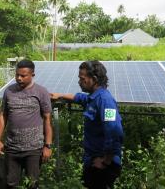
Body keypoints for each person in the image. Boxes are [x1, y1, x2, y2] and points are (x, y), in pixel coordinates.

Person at [50, 60, 123, 189]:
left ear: (94, 79)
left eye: (82, 78)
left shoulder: (105, 101)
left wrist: (106, 162)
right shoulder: (92, 98)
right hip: (93, 161)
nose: (79, 81)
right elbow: (79, 98)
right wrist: (60, 95)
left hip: (102, 165)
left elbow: (114, 132)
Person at [0, 59, 53, 189]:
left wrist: (47, 146)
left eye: (23, 75)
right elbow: (3, 115)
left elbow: (47, 119)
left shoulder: (41, 92)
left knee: (32, 184)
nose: (19, 78)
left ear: (32, 75)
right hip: (11, 148)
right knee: (10, 183)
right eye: (17, 75)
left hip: (33, 149)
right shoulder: (9, 91)